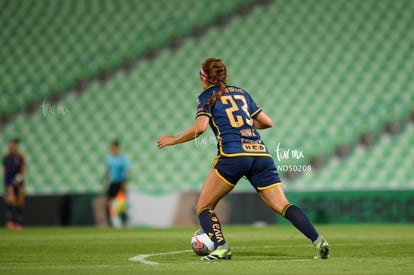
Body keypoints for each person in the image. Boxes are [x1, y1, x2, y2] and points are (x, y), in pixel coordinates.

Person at [158, 58, 330, 260]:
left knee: (203, 206)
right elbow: (267, 122)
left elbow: (201, 127)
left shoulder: (206, 96)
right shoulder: (241, 93)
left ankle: (221, 247)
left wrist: (174, 139)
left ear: (204, 78)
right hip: (260, 154)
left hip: (233, 155)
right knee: (283, 205)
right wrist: (244, 125)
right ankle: (319, 241)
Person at [102, 140, 130, 227]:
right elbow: (108, 170)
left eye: (113, 147)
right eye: (111, 148)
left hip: (121, 183)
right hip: (112, 183)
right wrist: (103, 179)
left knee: (120, 205)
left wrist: (125, 181)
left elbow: (128, 171)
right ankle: (109, 223)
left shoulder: (123, 159)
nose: (112, 149)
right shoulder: (109, 158)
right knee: (106, 203)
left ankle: (123, 223)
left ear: (117, 148)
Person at [3, 138, 26, 230]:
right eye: (10, 145)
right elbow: (5, 171)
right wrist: (7, 183)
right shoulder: (6, 157)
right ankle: (10, 221)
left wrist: (18, 179)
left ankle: (18, 222)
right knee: (10, 199)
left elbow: (23, 171)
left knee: (19, 201)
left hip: (19, 181)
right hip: (9, 180)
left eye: (12, 145)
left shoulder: (21, 157)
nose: (11, 147)